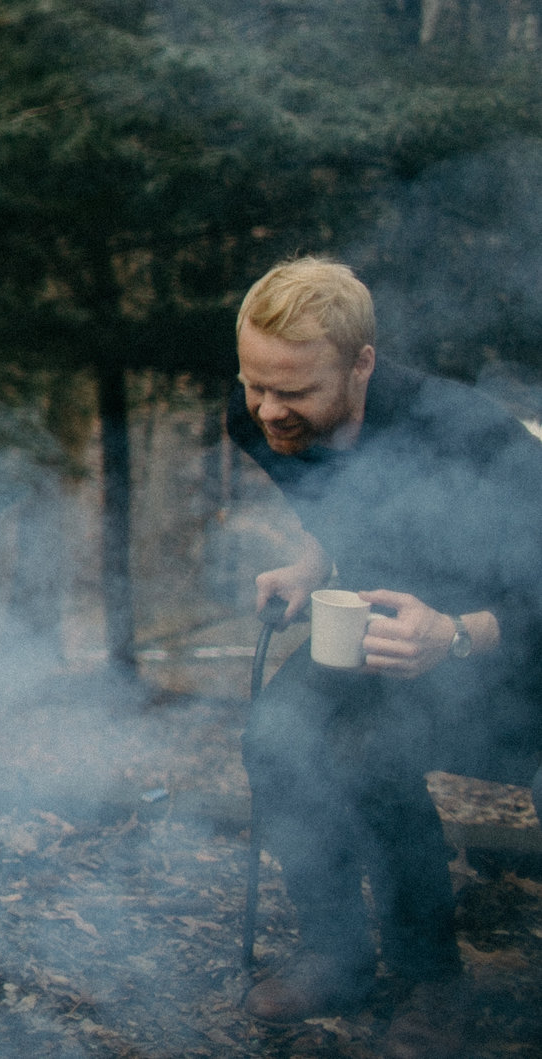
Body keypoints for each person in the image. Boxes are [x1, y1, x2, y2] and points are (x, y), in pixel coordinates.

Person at [230, 257, 542, 1059]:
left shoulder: (463, 432)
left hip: (512, 655)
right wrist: (310, 565)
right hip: (381, 632)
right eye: (254, 382)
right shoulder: (255, 416)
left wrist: (460, 632)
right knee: (275, 735)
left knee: (371, 750)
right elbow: (335, 503)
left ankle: (431, 979)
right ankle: (337, 955)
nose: (267, 408)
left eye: (293, 390)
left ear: (361, 362)